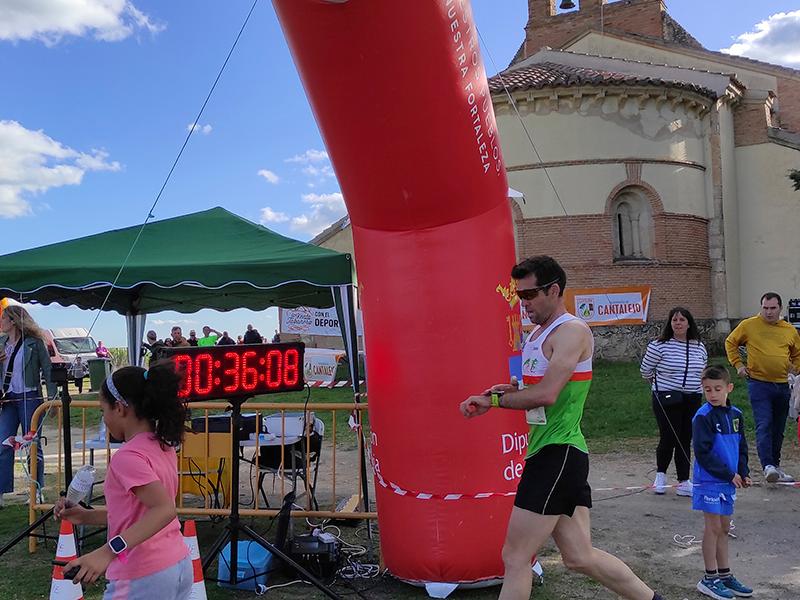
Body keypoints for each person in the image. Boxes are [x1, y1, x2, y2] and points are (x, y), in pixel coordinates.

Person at [459, 256, 663, 600]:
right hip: (556, 452)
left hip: (557, 454)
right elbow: (535, 387)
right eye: (519, 296)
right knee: (580, 557)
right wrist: (508, 390)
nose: (524, 304)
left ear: (554, 290)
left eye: (530, 295)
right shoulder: (537, 334)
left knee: (515, 556)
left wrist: (494, 402)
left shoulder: (572, 331)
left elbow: (547, 394)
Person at [54, 362, 192, 597]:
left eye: (103, 411)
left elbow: (164, 510)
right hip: (176, 565)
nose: (104, 419)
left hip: (142, 574)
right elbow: (139, 513)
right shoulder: (162, 446)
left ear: (119, 408)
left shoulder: (127, 457)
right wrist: (86, 516)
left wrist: (106, 552)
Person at [725, 292, 800, 483]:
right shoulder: (749, 325)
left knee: (779, 427)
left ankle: (776, 466)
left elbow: (797, 353)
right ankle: (767, 465)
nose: (768, 312)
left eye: (773, 308)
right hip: (759, 383)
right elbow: (730, 342)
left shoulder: (789, 330)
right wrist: (738, 365)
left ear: (780, 308)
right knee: (764, 423)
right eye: (765, 308)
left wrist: (796, 368)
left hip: (783, 385)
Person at [692, 365, 753, 599]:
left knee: (725, 528)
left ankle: (725, 575)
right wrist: (728, 474)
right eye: (708, 390)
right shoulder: (702, 417)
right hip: (709, 481)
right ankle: (709, 578)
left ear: (729, 388)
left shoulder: (736, 414)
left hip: (729, 481)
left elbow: (742, 446)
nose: (713, 394)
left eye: (718, 389)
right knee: (713, 528)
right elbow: (703, 453)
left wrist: (743, 472)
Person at [640, 307, 707, 496]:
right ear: (669, 324)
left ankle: (683, 480)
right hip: (667, 398)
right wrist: (661, 385)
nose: (678, 323)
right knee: (669, 436)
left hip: (693, 397)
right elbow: (645, 370)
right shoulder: (659, 345)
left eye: (682, 320)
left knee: (685, 437)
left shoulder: (699, 346)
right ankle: (660, 476)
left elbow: (703, 369)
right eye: (674, 320)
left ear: (689, 323)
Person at [0, 305, 57, 508]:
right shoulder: (1, 344)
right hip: (8, 399)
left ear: (14, 320)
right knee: (3, 443)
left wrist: (51, 399)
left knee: (32, 444)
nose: (1, 321)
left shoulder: (34, 342)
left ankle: (37, 490)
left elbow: (48, 370)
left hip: (30, 397)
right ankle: (1, 491)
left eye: (3, 317)